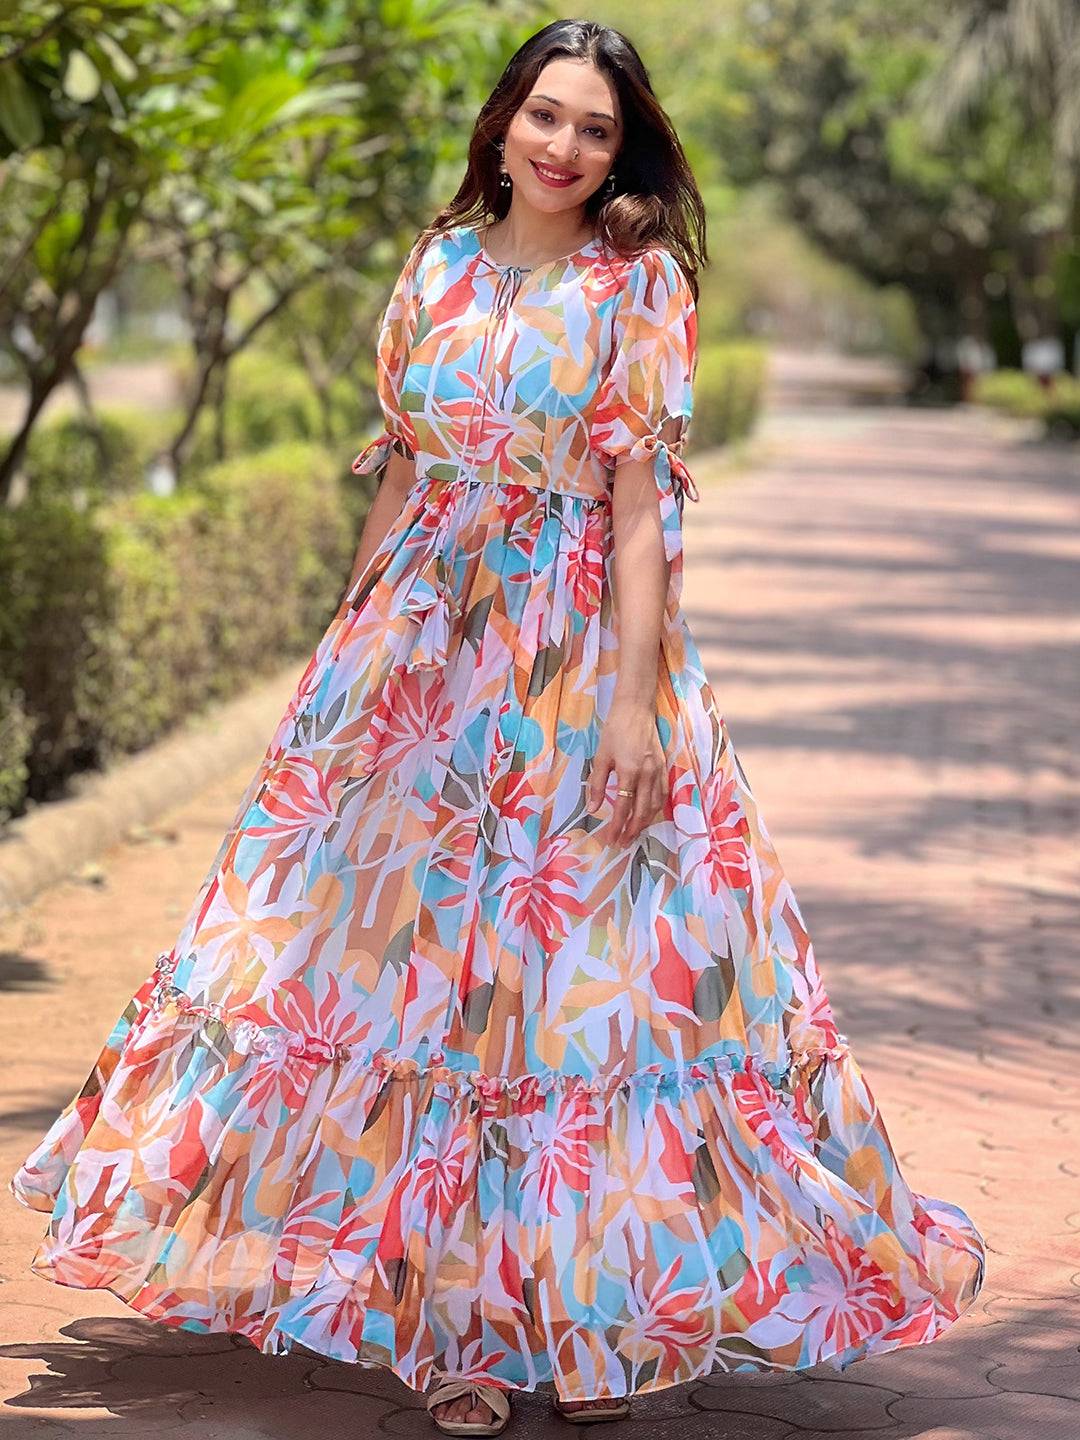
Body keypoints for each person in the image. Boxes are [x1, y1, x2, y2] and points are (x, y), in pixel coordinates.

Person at [9, 17, 987, 1440]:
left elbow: (642, 517)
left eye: (594, 128)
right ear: (503, 121)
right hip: (414, 668)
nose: (565, 148)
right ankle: (458, 1333)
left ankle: (591, 1331)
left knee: (584, 995)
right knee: (408, 985)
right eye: (545, 117)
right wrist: (340, 654)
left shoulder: (637, 284)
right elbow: (402, 479)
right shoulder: (439, 264)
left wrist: (638, 706)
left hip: (570, 656)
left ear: (621, 144)